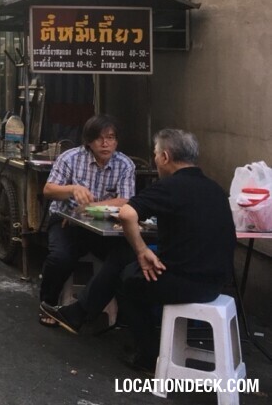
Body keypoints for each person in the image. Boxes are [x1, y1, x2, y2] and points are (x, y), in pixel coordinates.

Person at [43, 129, 236, 372]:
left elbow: (127, 212)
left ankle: (147, 357)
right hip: (218, 282)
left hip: (187, 283)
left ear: (165, 157)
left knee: (129, 282)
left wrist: (143, 248)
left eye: (155, 154)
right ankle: (79, 313)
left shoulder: (170, 186)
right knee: (125, 257)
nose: (154, 159)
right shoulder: (215, 188)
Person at [37, 114, 136, 328]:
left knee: (124, 258)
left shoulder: (125, 164)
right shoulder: (70, 158)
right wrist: (73, 188)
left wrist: (90, 207)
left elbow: (125, 199)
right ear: (88, 140)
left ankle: (91, 309)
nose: (105, 143)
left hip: (104, 226)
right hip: (66, 222)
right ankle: (48, 303)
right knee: (61, 257)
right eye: (99, 138)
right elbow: (48, 190)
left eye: (110, 138)